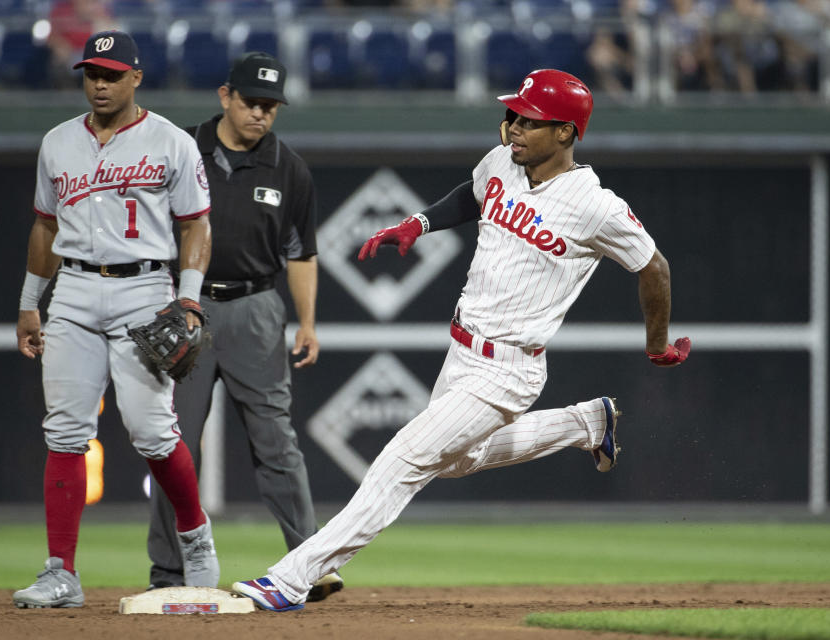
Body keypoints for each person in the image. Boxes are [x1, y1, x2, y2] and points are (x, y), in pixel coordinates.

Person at [231, 69, 691, 612]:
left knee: (402, 461)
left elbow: (653, 265)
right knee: (452, 462)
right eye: (514, 115)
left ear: (566, 132)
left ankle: (292, 577)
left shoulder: (595, 205)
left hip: (510, 366)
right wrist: (420, 224)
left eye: (530, 120)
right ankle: (585, 423)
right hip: (462, 351)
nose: (514, 127)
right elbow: (474, 196)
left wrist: (656, 343)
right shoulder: (503, 161)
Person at [13, 30, 219, 608]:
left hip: (145, 288)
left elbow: (196, 225)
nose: (99, 84)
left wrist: (189, 296)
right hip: (74, 288)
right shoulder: (57, 143)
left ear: (136, 78)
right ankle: (61, 572)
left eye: (110, 74)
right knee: (65, 430)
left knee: (152, 432)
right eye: (91, 74)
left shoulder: (172, 142)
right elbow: (45, 227)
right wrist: (31, 301)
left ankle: (195, 536)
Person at [144, 51, 342, 602]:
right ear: (225, 96)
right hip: (186, 305)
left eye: (271, 106)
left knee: (277, 442)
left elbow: (302, 253)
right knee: (173, 444)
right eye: (252, 101)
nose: (261, 114)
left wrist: (307, 322)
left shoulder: (289, 167)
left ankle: (309, 563)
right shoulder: (180, 148)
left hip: (256, 309)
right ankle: (168, 571)